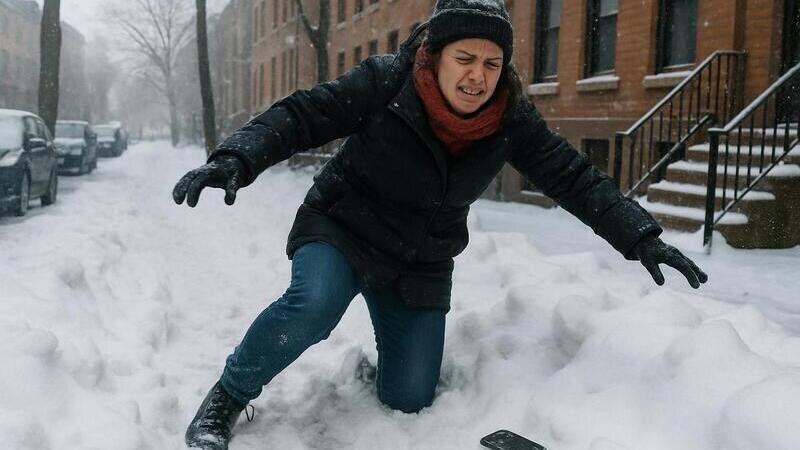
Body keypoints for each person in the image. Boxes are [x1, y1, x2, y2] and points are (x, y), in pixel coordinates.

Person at [174, 1, 708, 448]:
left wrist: (640, 235)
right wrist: (237, 158)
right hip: (343, 228)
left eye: (492, 63)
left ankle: (388, 359)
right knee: (315, 304)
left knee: (408, 397)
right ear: (435, 53)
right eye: (465, 58)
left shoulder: (510, 117)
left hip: (419, 257)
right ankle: (229, 395)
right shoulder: (388, 81)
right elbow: (302, 115)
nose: (478, 76)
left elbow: (573, 176)